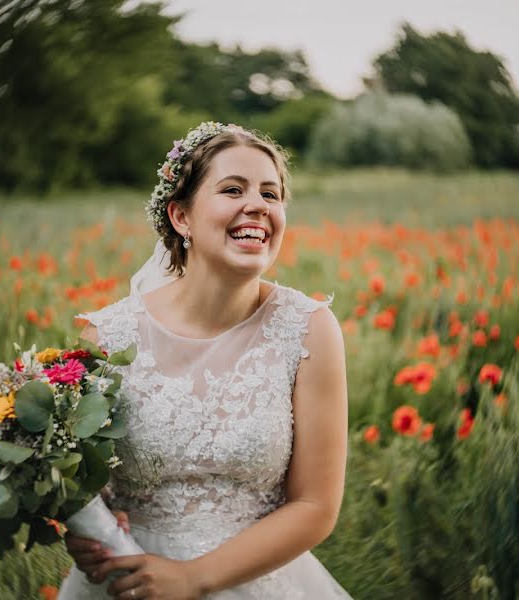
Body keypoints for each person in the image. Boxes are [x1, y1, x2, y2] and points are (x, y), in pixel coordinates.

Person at [59, 122, 350, 599]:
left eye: (271, 194)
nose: (257, 205)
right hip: (131, 581)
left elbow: (316, 504)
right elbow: (86, 481)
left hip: (255, 581)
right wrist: (87, 529)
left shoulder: (309, 329)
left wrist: (194, 578)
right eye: (233, 189)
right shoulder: (107, 337)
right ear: (181, 217)